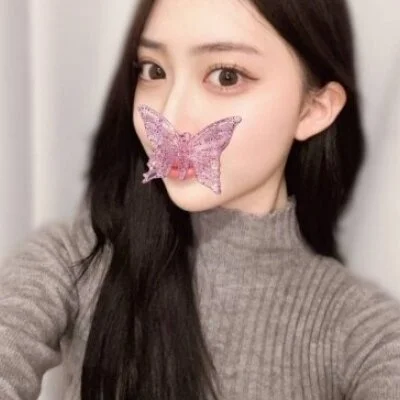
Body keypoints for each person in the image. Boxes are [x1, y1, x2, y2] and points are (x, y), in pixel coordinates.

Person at [1, 0, 400, 399]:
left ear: (314, 109)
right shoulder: (74, 260)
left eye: (226, 76)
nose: (171, 115)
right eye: (153, 70)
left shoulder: (363, 331)